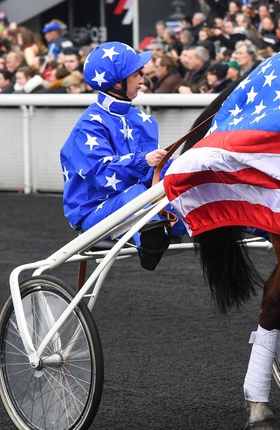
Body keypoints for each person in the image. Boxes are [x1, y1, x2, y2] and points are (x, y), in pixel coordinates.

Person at [59, 41, 186, 271]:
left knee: (182, 175)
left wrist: (177, 167)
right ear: (117, 82)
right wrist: (144, 161)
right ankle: (151, 238)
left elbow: (152, 175)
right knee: (137, 194)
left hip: (135, 203)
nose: (142, 78)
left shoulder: (144, 121)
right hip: (93, 210)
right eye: (137, 74)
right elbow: (102, 173)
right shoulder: (87, 127)